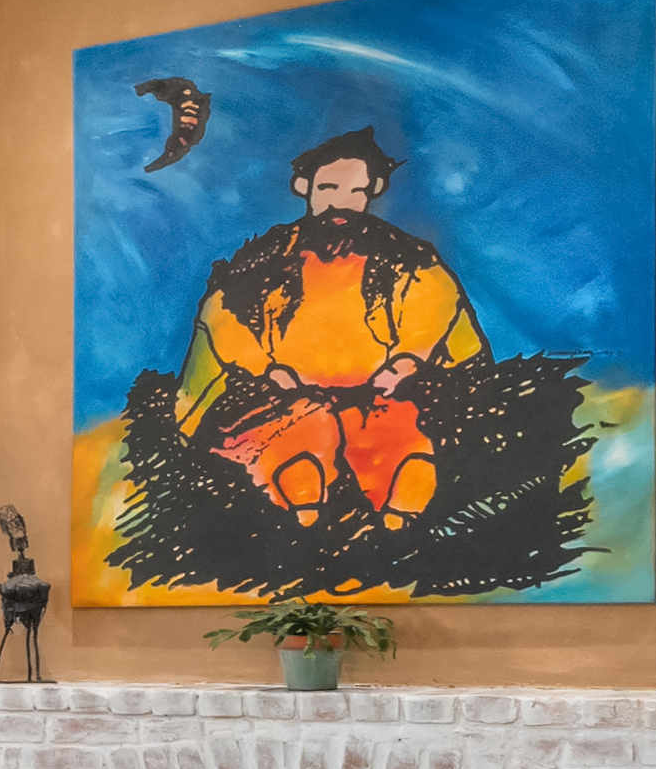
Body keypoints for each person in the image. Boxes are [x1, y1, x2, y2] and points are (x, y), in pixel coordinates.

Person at [174, 123, 481, 534]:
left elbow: (436, 304)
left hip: (381, 391)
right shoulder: (264, 259)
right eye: (331, 189)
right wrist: (268, 368)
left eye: (358, 192)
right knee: (301, 430)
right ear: (304, 186)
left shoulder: (407, 256)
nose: (344, 204)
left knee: (395, 431)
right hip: (289, 394)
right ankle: (300, 491)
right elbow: (224, 316)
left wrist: (407, 360)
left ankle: (401, 497)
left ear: (373, 193)